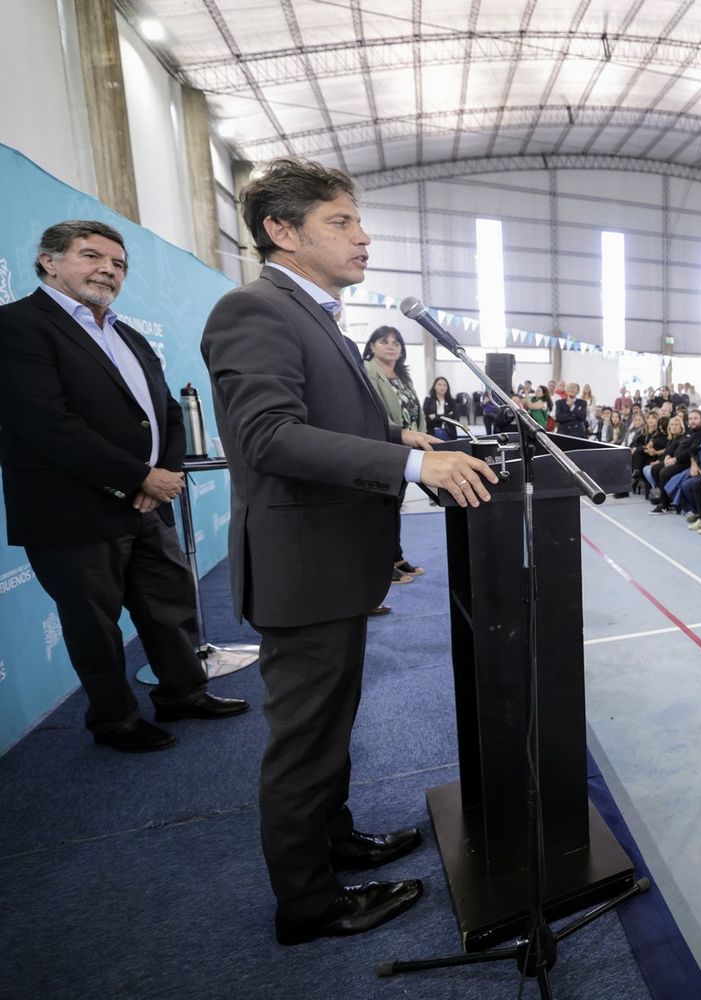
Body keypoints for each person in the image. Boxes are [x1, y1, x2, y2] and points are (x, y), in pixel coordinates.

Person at [201, 157, 497, 945]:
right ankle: (309, 905)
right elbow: (269, 436)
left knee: (332, 727)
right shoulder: (253, 311)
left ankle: (336, 843)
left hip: (333, 565)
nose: (363, 238)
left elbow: (317, 416)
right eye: (340, 223)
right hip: (305, 571)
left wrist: (394, 432)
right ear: (281, 231)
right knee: (304, 744)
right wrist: (411, 465)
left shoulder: (313, 314)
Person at [0, 219, 248, 752]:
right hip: (73, 513)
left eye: (117, 264)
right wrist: (138, 477)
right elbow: (46, 422)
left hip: (147, 504)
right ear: (48, 260)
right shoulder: (17, 326)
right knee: (95, 626)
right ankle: (115, 721)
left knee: (170, 604)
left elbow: (166, 413)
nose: (107, 271)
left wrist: (167, 474)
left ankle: (183, 693)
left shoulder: (126, 332)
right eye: (91, 257)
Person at [363, 326, 432, 584]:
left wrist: (422, 436)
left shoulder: (402, 375)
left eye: (396, 342)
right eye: (384, 341)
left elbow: (417, 410)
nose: (391, 346)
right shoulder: (368, 372)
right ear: (372, 346)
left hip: (408, 449)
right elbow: (376, 414)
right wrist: (401, 436)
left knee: (394, 507)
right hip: (386, 447)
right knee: (381, 510)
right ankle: (381, 564)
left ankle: (396, 556)